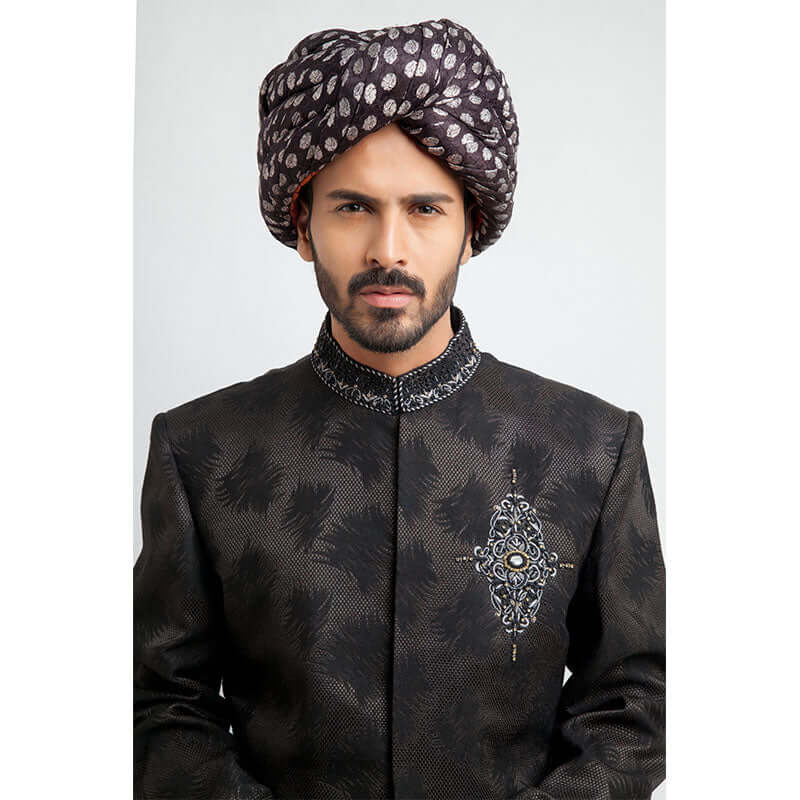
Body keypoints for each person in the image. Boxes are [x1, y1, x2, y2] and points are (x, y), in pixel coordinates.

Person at [134, 16, 666, 800]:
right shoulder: (202, 452)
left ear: (471, 228)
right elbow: (160, 707)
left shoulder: (589, 448)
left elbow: (636, 704)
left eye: (424, 209)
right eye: (353, 208)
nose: (390, 248)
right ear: (303, 223)